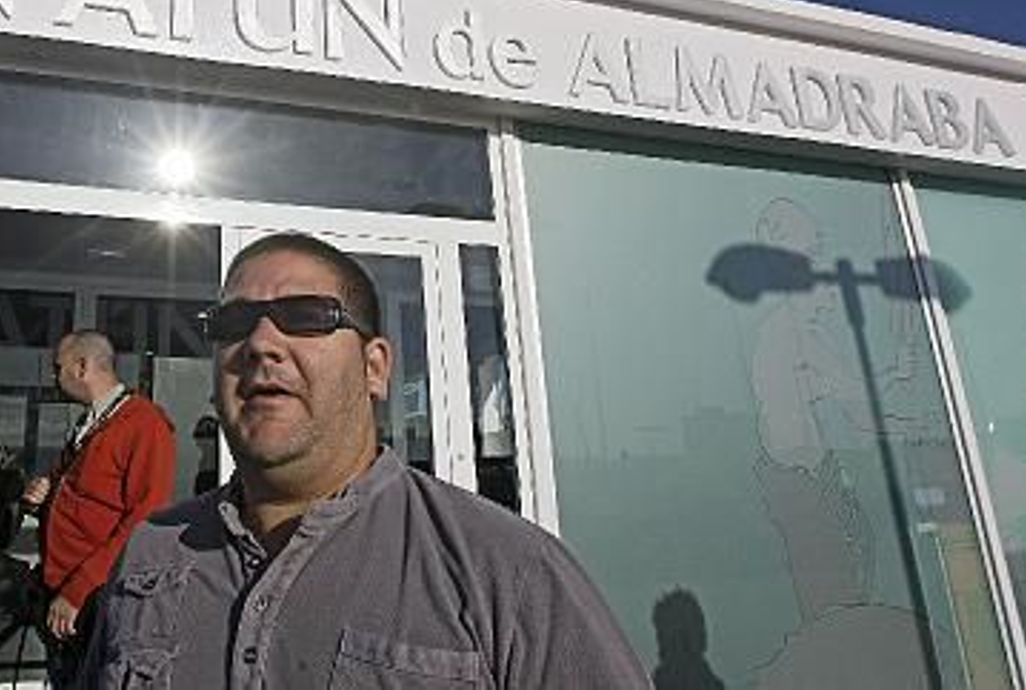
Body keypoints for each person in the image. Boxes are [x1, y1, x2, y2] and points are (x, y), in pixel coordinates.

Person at [81, 232, 649, 689]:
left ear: (374, 368)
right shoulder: (150, 552)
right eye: (233, 323)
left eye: (305, 316)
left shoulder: (508, 573)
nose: (259, 343)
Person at [21, 329, 175, 686]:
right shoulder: (90, 424)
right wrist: (42, 500)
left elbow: (145, 519)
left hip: (97, 600)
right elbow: (84, 502)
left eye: (57, 368)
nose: (54, 377)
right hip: (62, 596)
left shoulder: (144, 423)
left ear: (81, 366)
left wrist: (79, 590)